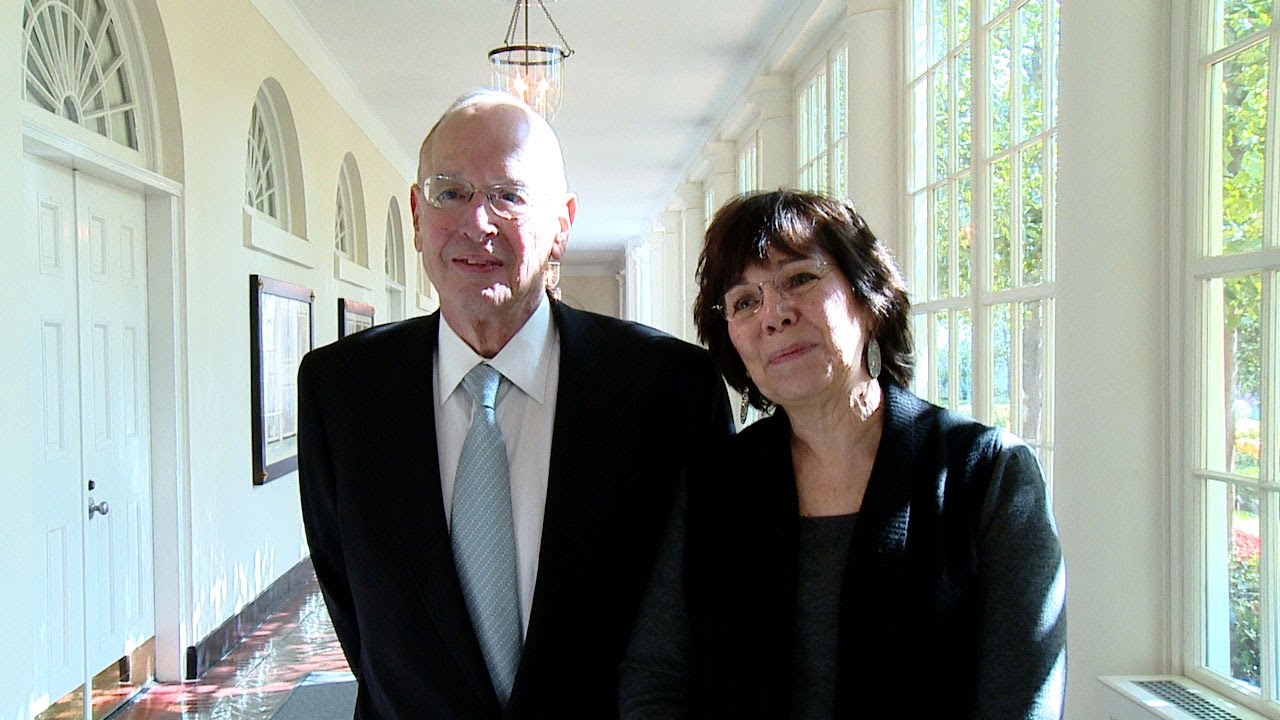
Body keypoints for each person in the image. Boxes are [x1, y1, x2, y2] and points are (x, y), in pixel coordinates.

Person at [297, 88, 733, 719]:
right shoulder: (341, 392)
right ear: (416, 215)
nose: (477, 223)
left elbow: (706, 609)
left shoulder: (669, 389)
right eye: (451, 192)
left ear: (562, 224)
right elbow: (355, 610)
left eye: (509, 195)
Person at [619, 190, 1066, 719]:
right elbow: (655, 678)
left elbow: (1019, 702)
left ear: (868, 299)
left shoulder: (989, 475)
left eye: (799, 279)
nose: (774, 315)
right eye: (744, 302)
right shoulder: (711, 487)